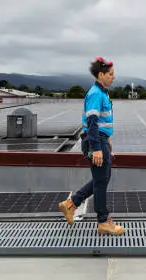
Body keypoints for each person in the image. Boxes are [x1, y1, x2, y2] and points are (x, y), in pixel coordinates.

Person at [59, 57, 125, 235]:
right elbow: (92, 122)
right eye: (110, 74)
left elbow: (101, 122)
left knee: (101, 179)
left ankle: (71, 203)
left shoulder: (102, 92)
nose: (113, 77)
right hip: (95, 141)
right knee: (101, 181)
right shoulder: (96, 93)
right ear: (101, 75)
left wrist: (107, 139)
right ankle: (103, 222)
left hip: (100, 139)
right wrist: (96, 147)